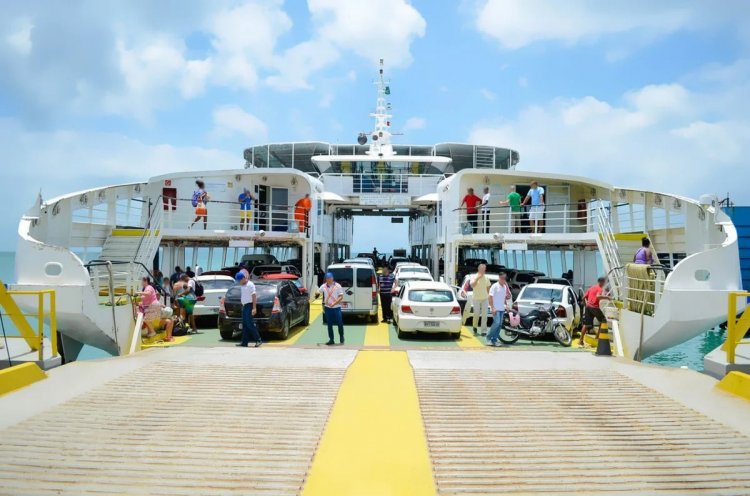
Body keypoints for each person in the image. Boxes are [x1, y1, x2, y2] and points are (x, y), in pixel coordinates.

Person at [579, 277, 611, 346]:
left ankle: (580, 340)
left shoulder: (591, 288)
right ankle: (597, 337)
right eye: (604, 282)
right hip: (594, 307)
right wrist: (607, 298)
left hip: (588, 307)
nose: (604, 284)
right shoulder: (599, 289)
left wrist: (586, 305)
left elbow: (583, 298)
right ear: (601, 282)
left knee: (586, 324)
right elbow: (598, 296)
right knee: (603, 321)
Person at [316, 272, 345, 345]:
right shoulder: (323, 286)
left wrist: (334, 303)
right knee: (329, 324)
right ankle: (331, 339)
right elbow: (318, 291)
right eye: (327, 279)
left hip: (336, 308)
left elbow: (341, 297)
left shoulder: (337, 286)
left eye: (329, 278)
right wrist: (316, 293)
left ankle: (341, 336)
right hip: (327, 308)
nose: (328, 280)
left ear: (332, 278)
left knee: (340, 323)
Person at [235, 272, 262, 347]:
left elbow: (254, 296)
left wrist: (254, 308)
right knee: (245, 325)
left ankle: (258, 339)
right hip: (244, 306)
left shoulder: (250, 284)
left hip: (249, 306)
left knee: (250, 324)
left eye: (239, 280)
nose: (239, 282)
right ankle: (244, 342)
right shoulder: (242, 286)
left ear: (243, 278)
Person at [487, 272, 512, 346]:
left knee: (500, 324)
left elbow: (504, 297)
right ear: (499, 278)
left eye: (505, 278)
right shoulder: (495, 286)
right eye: (503, 278)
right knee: (496, 323)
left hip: (501, 308)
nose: (504, 280)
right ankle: (488, 338)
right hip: (495, 308)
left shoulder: (504, 286)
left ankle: (494, 340)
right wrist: (492, 307)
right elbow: (490, 297)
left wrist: (506, 305)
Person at [467, 263, 491, 335]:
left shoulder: (486, 278)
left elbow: (488, 288)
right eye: (482, 269)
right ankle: (475, 326)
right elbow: (472, 285)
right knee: (476, 314)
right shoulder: (474, 276)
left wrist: (489, 297)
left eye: (484, 269)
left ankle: (484, 330)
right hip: (476, 298)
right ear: (479, 269)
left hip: (485, 298)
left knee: (484, 314)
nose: (483, 270)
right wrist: (478, 278)